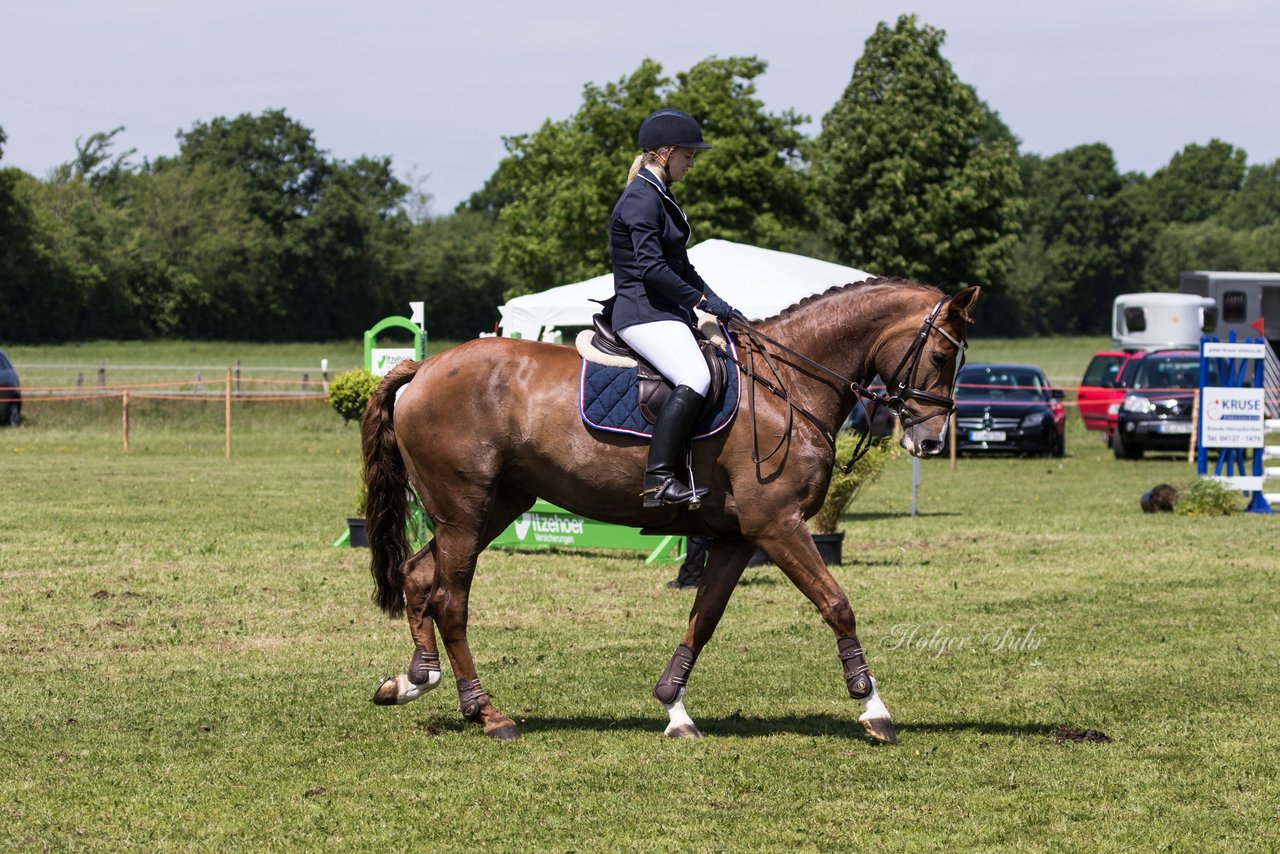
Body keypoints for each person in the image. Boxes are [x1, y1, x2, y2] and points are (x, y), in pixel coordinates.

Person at [608, 108, 741, 508]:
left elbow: (682, 265)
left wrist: (718, 302)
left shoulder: (661, 196)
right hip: (640, 312)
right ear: (665, 153)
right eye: (688, 156)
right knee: (695, 376)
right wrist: (699, 302)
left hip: (663, 311)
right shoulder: (641, 199)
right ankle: (659, 480)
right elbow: (651, 268)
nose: (692, 164)